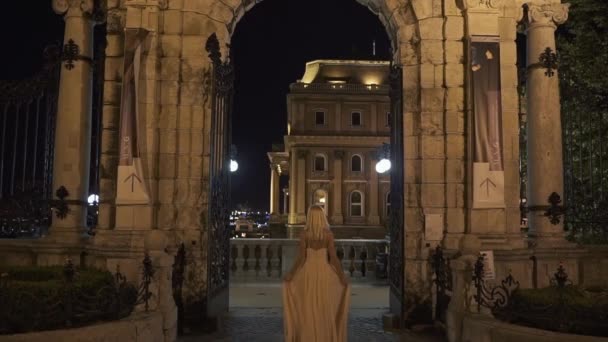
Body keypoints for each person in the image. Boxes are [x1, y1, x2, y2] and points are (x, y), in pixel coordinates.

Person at [282, 205, 351, 342]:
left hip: (308, 274)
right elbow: (334, 258)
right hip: (325, 273)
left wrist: (291, 274)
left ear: (310, 217)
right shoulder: (328, 235)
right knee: (324, 307)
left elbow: (301, 259)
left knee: (307, 308)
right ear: (321, 217)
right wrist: (341, 276)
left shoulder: (304, 234)